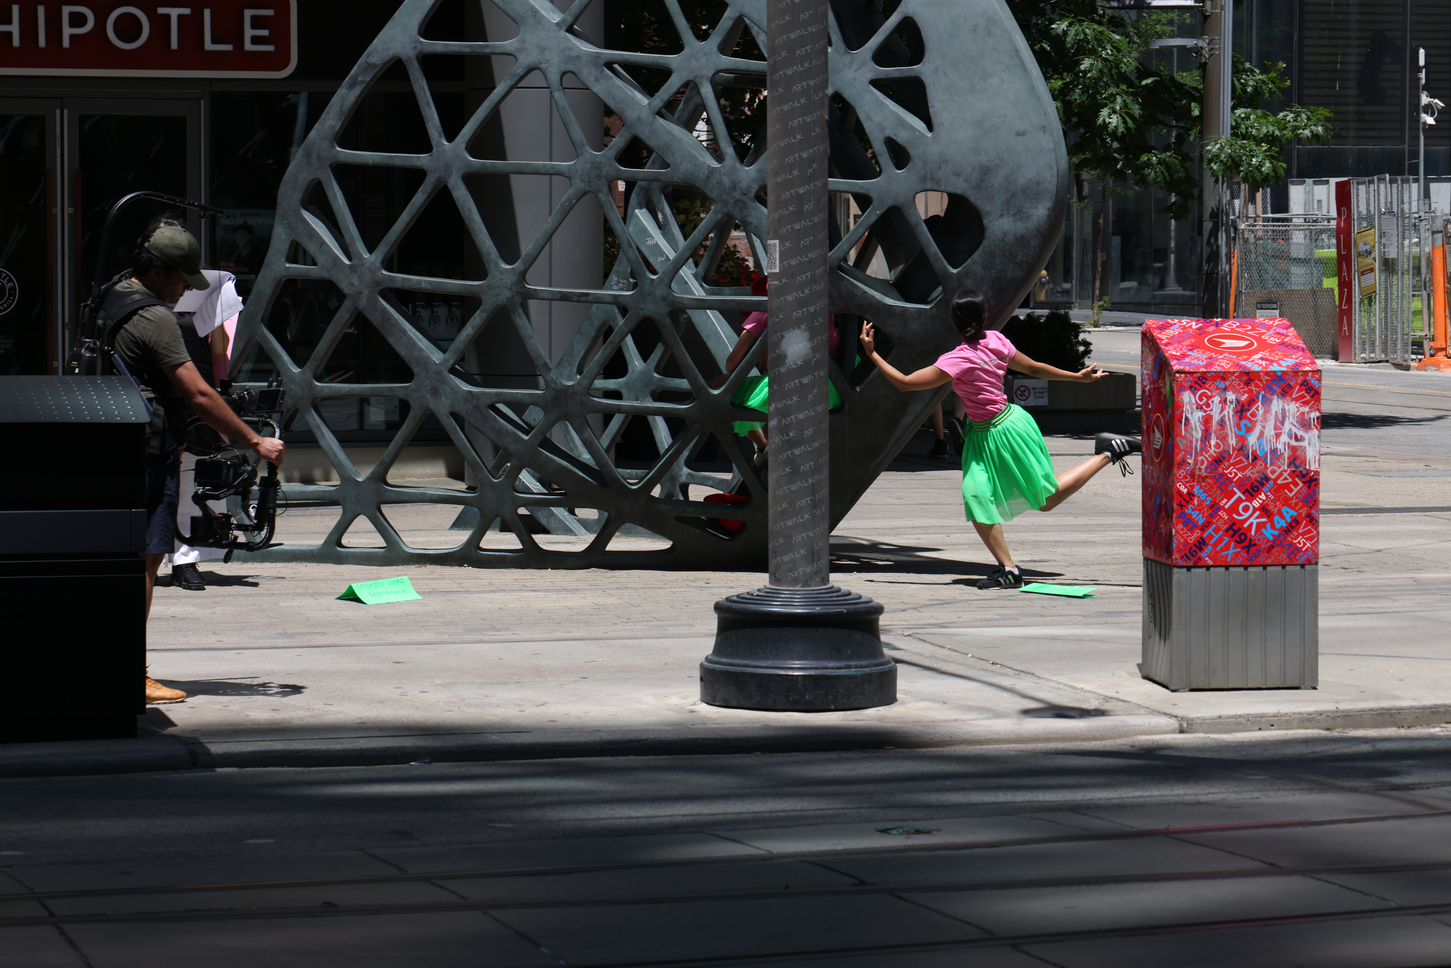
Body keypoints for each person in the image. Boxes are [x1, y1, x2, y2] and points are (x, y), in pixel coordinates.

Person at [110, 218, 285, 702]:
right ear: (159, 270)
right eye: (182, 278)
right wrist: (255, 441)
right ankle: (133, 673)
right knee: (146, 561)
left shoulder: (111, 298)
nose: (186, 289)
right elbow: (199, 395)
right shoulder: (154, 318)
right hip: (147, 452)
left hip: (120, 444)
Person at [858, 288, 1139, 589]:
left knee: (1046, 499)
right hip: (984, 435)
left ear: (952, 323)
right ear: (984, 319)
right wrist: (1077, 377)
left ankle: (1107, 452)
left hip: (1006, 432)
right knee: (977, 498)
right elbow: (1033, 368)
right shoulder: (995, 340)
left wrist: (872, 352)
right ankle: (1009, 570)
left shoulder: (958, 359)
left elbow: (904, 384)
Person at [711, 275, 842, 468]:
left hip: (787, 389)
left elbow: (732, 361)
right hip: (831, 391)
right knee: (765, 389)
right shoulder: (824, 310)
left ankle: (765, 446)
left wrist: (730, 375)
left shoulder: (763, 311)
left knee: (725, 390)